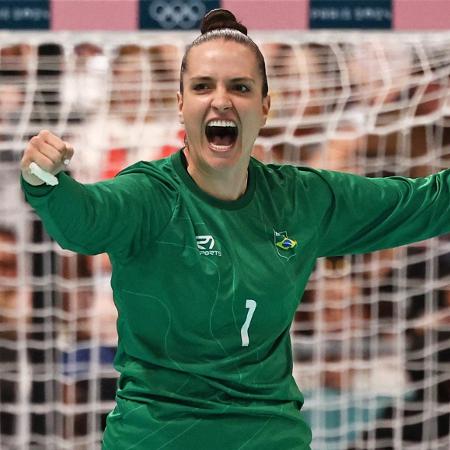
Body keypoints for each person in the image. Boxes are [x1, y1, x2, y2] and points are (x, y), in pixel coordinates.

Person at [18, 8, 450, 450]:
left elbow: (428, 201)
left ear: (265, 106)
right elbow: (83, 221)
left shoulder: (300, 199)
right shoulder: (149, 195)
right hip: (158, 438)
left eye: (240, 88)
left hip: (267, 437)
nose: (220, 100)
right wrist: (44, 181)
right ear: (181, 104)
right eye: (203, 86)